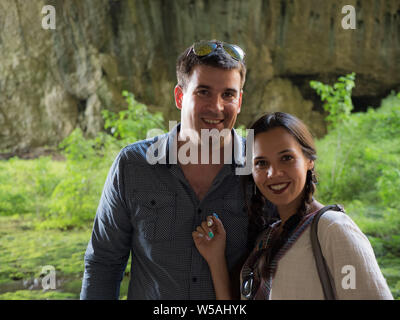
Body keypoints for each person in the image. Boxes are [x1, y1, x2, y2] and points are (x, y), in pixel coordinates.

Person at [80, 40, 255, 299]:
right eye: (203, 92)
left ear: (239, 101)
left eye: (228, 94)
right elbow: (103, 264)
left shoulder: (261, 167)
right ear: (180, 96)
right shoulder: (133, 164)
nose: (217, 107)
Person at [193, 112, 393, 300]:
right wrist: (215, 258)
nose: (273, 173)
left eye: (286, 158)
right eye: (261, 163)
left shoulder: (333, 229)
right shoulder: (267, 238)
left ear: (309, 161)